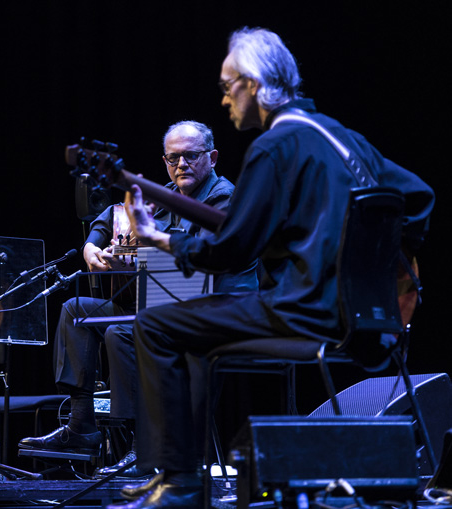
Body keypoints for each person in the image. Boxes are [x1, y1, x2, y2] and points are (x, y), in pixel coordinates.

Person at [113, 27, 435, 508]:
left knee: (154, 325)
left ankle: (179, 482)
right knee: (197, 337)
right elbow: (419, 197)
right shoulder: (344, 137)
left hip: (305, 312)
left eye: (227, 87)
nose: (224, 100)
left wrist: (161, 239)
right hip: (368, 319)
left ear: (255, 84)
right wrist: (381, 274)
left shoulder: (274, 147)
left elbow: (232, 251)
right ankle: (182, 475)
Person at [18, 121, 258, 477]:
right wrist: (92, 247)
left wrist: (141, 242)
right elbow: (111, 217)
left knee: (122, 332)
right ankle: (81, 426)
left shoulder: (222, 197)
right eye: (173, 158)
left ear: (212, 157)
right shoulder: (165, 193)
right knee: (75, 310)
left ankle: (141, 446)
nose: (181, 166)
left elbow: (198, 249)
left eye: (190, 156)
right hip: (167, 305)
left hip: (217, 310)